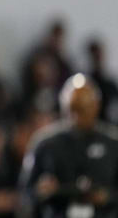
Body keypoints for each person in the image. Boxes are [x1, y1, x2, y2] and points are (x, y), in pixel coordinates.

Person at [20, 74, 118, 218]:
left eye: (82, 108)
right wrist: (41, 191)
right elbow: (25, 193)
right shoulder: (44, 143)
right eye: (72, 109)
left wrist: (108, 197)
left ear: (97, 105)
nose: (76, 116)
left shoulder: (113, 143)